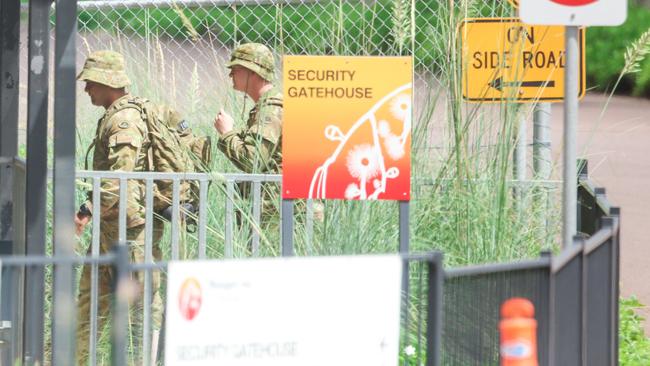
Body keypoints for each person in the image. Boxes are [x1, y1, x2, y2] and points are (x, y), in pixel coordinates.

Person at [73, 50, 164, 364]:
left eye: (90, 84)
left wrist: (86, 210)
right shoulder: (114, 115)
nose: (86, 90)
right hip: (110, 232)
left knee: (141, 310)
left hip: (129, 236)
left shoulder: (124, 120)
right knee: (88, 303)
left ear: (105, 82)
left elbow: (118, 181)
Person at [213, 43, 284, 228]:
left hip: (279, 212)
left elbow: (253, 160)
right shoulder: (269, 107)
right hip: (280, 208)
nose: (230, 75)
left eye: (235, 69)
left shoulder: (271, 110)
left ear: (252, 72)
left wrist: (227, 133)